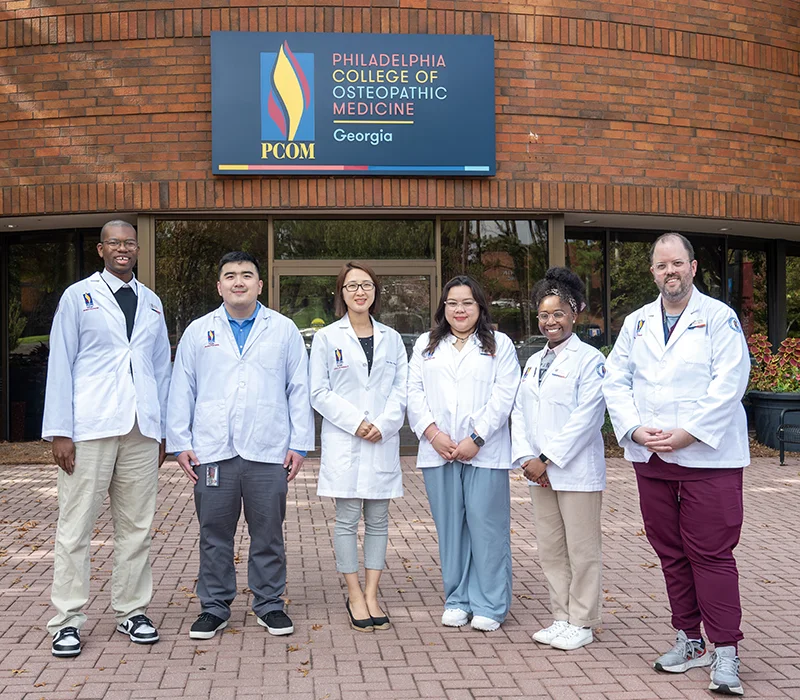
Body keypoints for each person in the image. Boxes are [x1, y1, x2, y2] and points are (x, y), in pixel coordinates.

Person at [603, 233, 750, 696]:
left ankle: (725, 650)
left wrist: (689, 432)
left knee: (711, 552)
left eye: (678, 264)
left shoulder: (719, 318)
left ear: (692, 268)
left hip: (708, 456)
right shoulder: (637, 322)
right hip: (652, 456)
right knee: (670, 551)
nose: (670, 272)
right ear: (653, 272)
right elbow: (616, 380)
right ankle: (689, 639)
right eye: (662, 265)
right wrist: (632, 428)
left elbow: (730, 383)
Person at [166, 251, 314, 640]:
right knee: (214, 532)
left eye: (247, 275)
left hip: (268, 451)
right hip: (213, 451)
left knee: (268, 532)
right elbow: (182, 387)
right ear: (219, 286)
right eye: (230, 275)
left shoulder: (283, 330)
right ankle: (214, 606)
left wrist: (299, 445)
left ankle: (268, 604)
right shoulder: (200, 331)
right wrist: (180, 441)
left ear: (260, 285)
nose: (238, 282)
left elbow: (299, 389)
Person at [42, 220, 171, 657]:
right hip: (90, 428)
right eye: (114, 243)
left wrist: (163, 430)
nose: (123, 249)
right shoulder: (78, 297)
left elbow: (161, 371)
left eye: (129, 243)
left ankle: (132, 611)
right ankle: (67, 619)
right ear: (100, 249)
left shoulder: (151, 303)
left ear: (137, 249)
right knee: (75, 527)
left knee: (136, 529)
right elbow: (61, 361)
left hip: (140, 431)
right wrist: (60, 430)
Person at [407, 275, 519, 632]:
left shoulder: (499, 344)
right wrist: (433, 433)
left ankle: (490, 603)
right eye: (452, 303)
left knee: (487, 527)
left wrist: (477, 437)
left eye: (467, 303)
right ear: (443, 307)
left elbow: (505, 395)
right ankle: (457, 599)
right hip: (437, 450)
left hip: (484, 452)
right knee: (451, 528)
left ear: (479, 307)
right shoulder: (426, 344)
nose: (459, 309)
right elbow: (413, 392)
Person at [511, 267, 607, 651]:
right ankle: (561, 616)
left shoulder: (590, 359)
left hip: (574, 470)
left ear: (575, 314)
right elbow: (519, 412)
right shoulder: (533, 362)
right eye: (544, 315)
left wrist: (547, 459)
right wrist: (526, 459)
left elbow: (589, 417)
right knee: (550, 548)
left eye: (558, 314)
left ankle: (582, 621)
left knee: (582, 550)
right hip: (539, 471)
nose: (550, 321)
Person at [309, 262, 408, 632]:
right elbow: (318, 391)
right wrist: (356, 422)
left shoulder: (392, 338)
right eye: (352, 287)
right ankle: (353, 594)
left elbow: (402, 388)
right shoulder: (327, 338)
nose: (359, 292)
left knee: (379, 522)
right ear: (342, 293)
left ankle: (372, 593)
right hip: (346, 439)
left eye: (366, 285)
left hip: (381, 439)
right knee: (348, 521)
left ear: (375, 291)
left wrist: (382, 424)